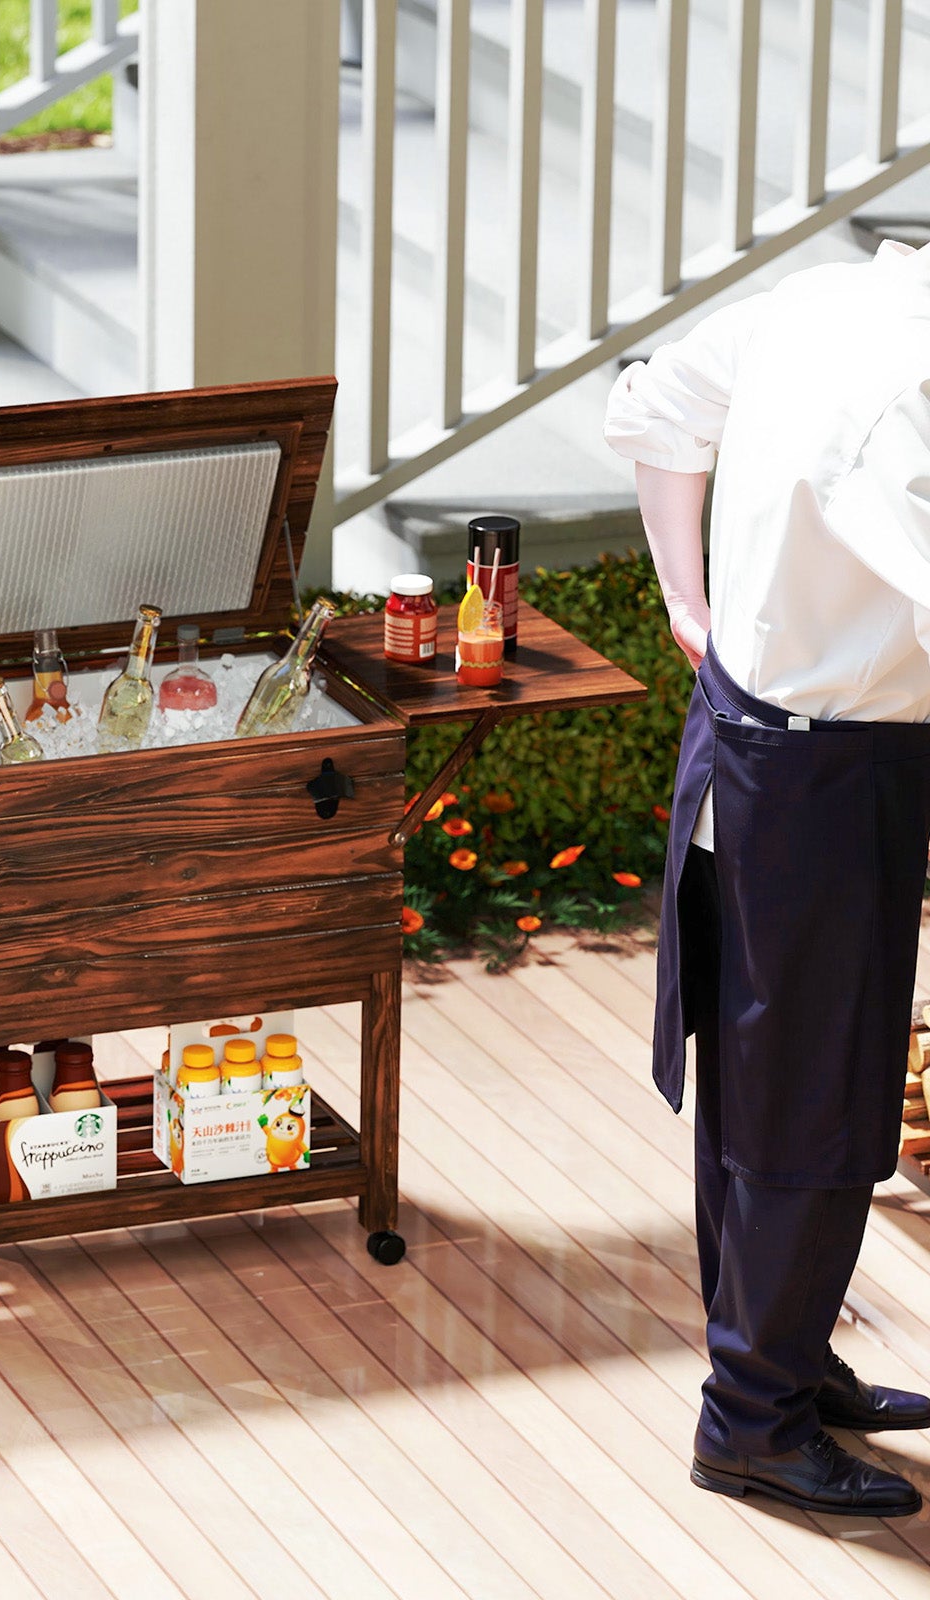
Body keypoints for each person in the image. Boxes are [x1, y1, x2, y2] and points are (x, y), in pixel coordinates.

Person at [604, 238, 930, 1518]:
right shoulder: (909, 401)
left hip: (748, 738)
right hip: (826, 776)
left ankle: (782, 1364)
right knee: (818, 1099)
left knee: (759, 1086)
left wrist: (686, 599)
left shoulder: (836, 294)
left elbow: (654, 409)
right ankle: (750, 1419)